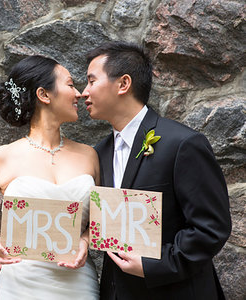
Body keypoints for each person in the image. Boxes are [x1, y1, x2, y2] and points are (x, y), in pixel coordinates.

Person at [82, 41, 231, 299]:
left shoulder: (182, 144)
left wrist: (154, 265)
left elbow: (211, 227)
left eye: (91, 81)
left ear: (123, 84)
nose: (84, 92)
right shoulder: (100, 152)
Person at [0, 55, 100, 299]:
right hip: (21, 284)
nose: (79, 94)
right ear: (44, 95)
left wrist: (85, 242)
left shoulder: (90, 156)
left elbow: (103, 217)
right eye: (70, 84)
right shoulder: (3, 157)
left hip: (78, 282)